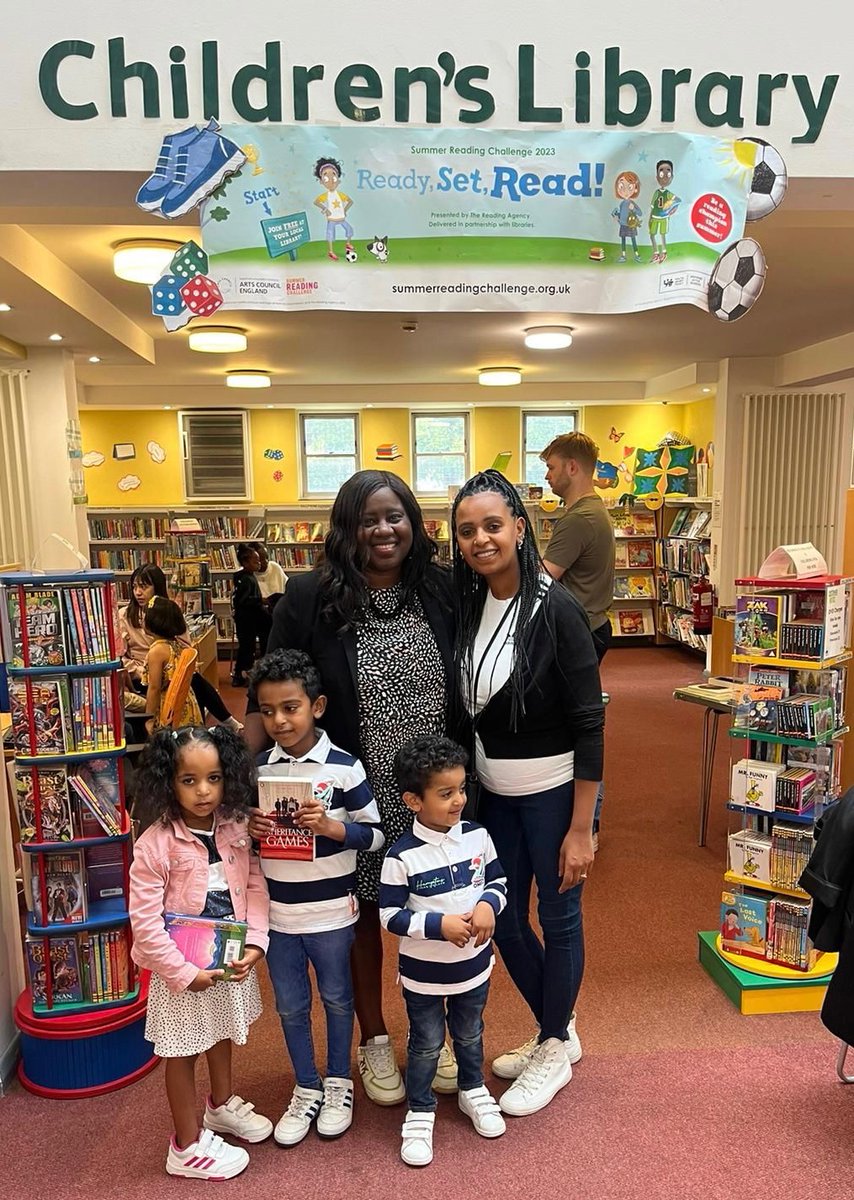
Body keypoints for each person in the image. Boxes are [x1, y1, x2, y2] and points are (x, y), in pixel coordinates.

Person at [243, 470, 456, 1106]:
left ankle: (434, 1035)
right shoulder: (310, 596)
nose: (383, 529)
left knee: (437, 908)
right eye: (368, 519)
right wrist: (240, 779)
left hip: (428, 793)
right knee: (360, 916)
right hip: (347, 791)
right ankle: (375, 1039)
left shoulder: (442, 592)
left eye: (395, 516)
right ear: (347, 528)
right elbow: (266, 694)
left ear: (413, 523)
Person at [452, 469, 604, 1118]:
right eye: (467, 530)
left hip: (552, 795)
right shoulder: (470, 603)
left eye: (493, 524)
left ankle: (551, 1041)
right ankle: (559, 1028)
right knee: (506, 920)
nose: (481, 539)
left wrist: (582, 826)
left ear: (520, 526)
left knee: (559, 917)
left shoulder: (557, 610)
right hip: (494, 798)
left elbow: (590, 721)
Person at [250, 649, 383, 1146]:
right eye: (268, 711)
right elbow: (245, 846)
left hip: (332, 914)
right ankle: (305, 1085)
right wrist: (253, 829)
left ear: (318, 706)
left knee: (336, 998)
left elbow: (376, 837)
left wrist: (332, 827)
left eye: (291, 707)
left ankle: (338, 1081)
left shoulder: (345, 769)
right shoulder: (260, 770)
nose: (280, 720)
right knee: (289, 1006)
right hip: (278, 918)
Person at [129, 726, 272, 1180]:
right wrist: (184, 972)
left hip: (227, 961)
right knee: (182, 1051)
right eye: (189, 780)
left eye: (213, 778)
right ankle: (186, 1146)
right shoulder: (154, 844)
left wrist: (256, 942)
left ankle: (222, 1105)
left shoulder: (234, 828)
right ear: (168, 781)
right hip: (182, 974)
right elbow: (146, 924)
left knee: (221, 1033)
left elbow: (254, 884)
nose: (204, 791)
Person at [380, 735, 507, 1168]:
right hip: (424, 974)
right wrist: (438, 925)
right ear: (413, 800)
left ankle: (473, 1088)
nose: (459, 801)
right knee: (427, 1043)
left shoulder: (478, 836)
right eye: (446, 793)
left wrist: (489, 903)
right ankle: (420, 1108)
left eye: (461, 789)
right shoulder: (401, 857)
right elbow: (390, 916)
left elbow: (498, 881)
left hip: (473, 968)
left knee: (471, 1032)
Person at [540, 431, 616, 848]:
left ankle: (587, 822)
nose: (548, 476)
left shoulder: (577, 518)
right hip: (594, 626)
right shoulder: (596, 511)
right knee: (581, 720)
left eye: (552, 467)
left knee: (576, 726)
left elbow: (542, 582)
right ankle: (590, 818)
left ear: (572, 466)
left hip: (576, 635)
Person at [119, 564, 242, 731]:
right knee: (192, 682)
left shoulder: (169, 611)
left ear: (157, 587)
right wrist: (139, 670)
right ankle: (216, 724)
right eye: (134, 587)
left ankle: (207, 727)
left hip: (171, 670)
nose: (138, 592)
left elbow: (185, 646)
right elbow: (121, 656)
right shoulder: (124, 616)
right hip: (142, 676)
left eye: (144, 586)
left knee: (193, 680)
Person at [143, 598, 204, 734]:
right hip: (186, 702)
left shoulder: (157, 651)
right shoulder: (177, 644)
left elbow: (154, 688)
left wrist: (149, 719)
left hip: (169, 706)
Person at [231, 544, 272, 688]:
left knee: (247, 647)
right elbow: (245, 601)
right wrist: (262, 600)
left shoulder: (246, 577)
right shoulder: (247, 580)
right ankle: (242, 674)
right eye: (256, 561)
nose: (259, 563)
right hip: (248, 620)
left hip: (248, 619)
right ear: (245, 563)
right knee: (247, 648)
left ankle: (243, 674)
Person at [611, 170, 643, 263]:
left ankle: (637, 255)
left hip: (631, 224)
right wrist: (616, 215)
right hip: (623, 225)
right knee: (623, 240)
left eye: (629, 187)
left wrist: (633, 209)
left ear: (635, 189)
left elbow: (640, 213)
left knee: (633, 239)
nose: (625, 191)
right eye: (621, 187)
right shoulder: (622, 204)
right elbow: (621, 214)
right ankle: (623, 255)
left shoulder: (631, 203)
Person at [248, 541, 287, 615]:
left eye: (267, 558)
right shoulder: (245, 575)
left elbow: (288, 588)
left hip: (277, 614)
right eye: (261, 560)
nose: (266, 562)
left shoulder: (275, 567)